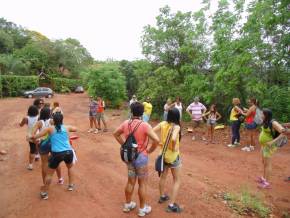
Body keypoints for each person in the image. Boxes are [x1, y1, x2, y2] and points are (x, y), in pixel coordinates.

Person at [113, 102, 159, 217]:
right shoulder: (145, 125)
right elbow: (156, 140)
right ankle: (142, 209)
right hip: (141, 157)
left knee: (130, 181)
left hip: (129, 157)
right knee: (142, 183)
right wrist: (149, 151)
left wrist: (124, 145)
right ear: (142, 113)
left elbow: (115, 134)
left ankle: (128, 204)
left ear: (131, 111)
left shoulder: (126, 123)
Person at [31, 112, 77, 200]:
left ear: (53, 120)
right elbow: (75, 129)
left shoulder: (50, 129)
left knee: (49, 174)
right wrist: (67, 127)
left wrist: (32, 137)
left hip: (57, 154)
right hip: (68, 152)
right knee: (70, 167)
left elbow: (36, 136)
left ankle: (44, 192)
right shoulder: (66, 127)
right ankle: (71, 185)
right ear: (62, 120)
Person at [153, 108, 182, 213]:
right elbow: (174, 139)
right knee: (177, 180)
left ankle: (162, 196)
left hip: (162, 155)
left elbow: (151, 131)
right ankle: (171, 205)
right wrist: (174, 147)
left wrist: (159, 142)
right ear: (177, 116)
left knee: (163, 177)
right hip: (173, 156)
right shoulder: (177, 127)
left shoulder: (163, 123)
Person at [257, 109, 289, 188]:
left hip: (269, 146)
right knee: (264, 163)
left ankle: (267, 183)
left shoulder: (273, 123)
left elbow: (283, 132)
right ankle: (264, 178)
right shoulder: (266, 122)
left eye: (262, 114)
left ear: (266, 115)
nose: (261, 115)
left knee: (268, 164)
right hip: (264, 145)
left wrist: (272, 142)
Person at [32, 107, 63, 185]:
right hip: (53, 142)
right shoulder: (53, 121)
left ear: (41, 113)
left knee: (44, 163)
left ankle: (45, 183)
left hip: (43, 143)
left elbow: (32, 134)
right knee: (56, 162)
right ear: (50, 113)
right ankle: (60, 179)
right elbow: (60, 130)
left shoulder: (39, 122)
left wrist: (35, 140)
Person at [19, 105, 39, 170]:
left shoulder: (26, 118)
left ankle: (30, 165)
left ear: (29, 111)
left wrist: (20, 121)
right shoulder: (39, 117)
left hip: (30, 135)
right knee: (37, 145)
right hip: (38, 134)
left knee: (32, 149)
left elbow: (21, 125)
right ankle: (37, 155)